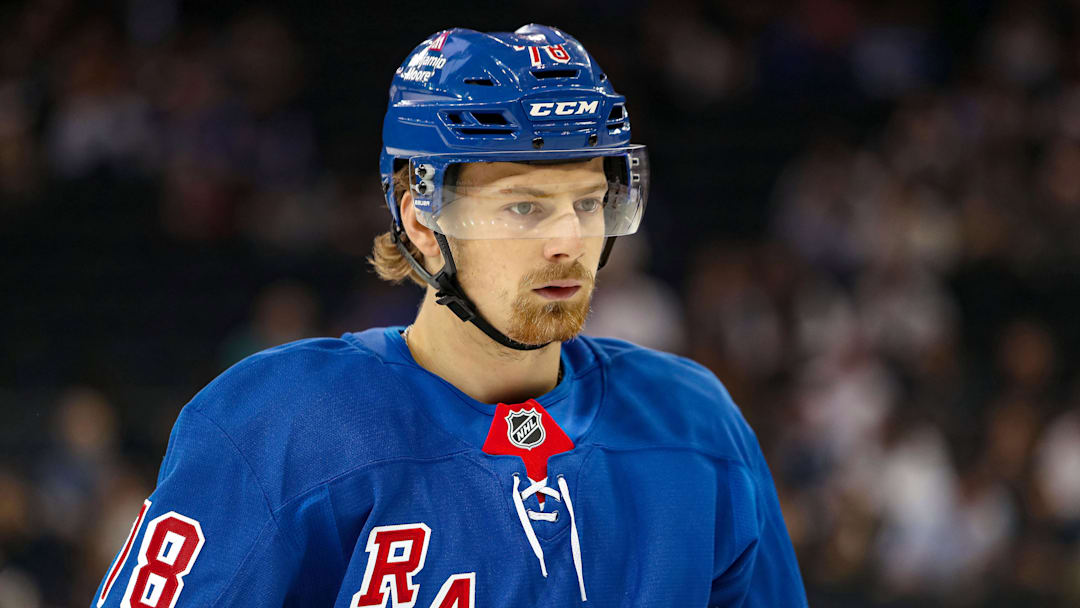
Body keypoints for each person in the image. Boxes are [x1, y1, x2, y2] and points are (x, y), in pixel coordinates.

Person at [91, 25, 806, 607]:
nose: (568, 241)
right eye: (524, 206)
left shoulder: (694, 425)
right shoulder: (281, 426)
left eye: (588, 202)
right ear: (423, 223)